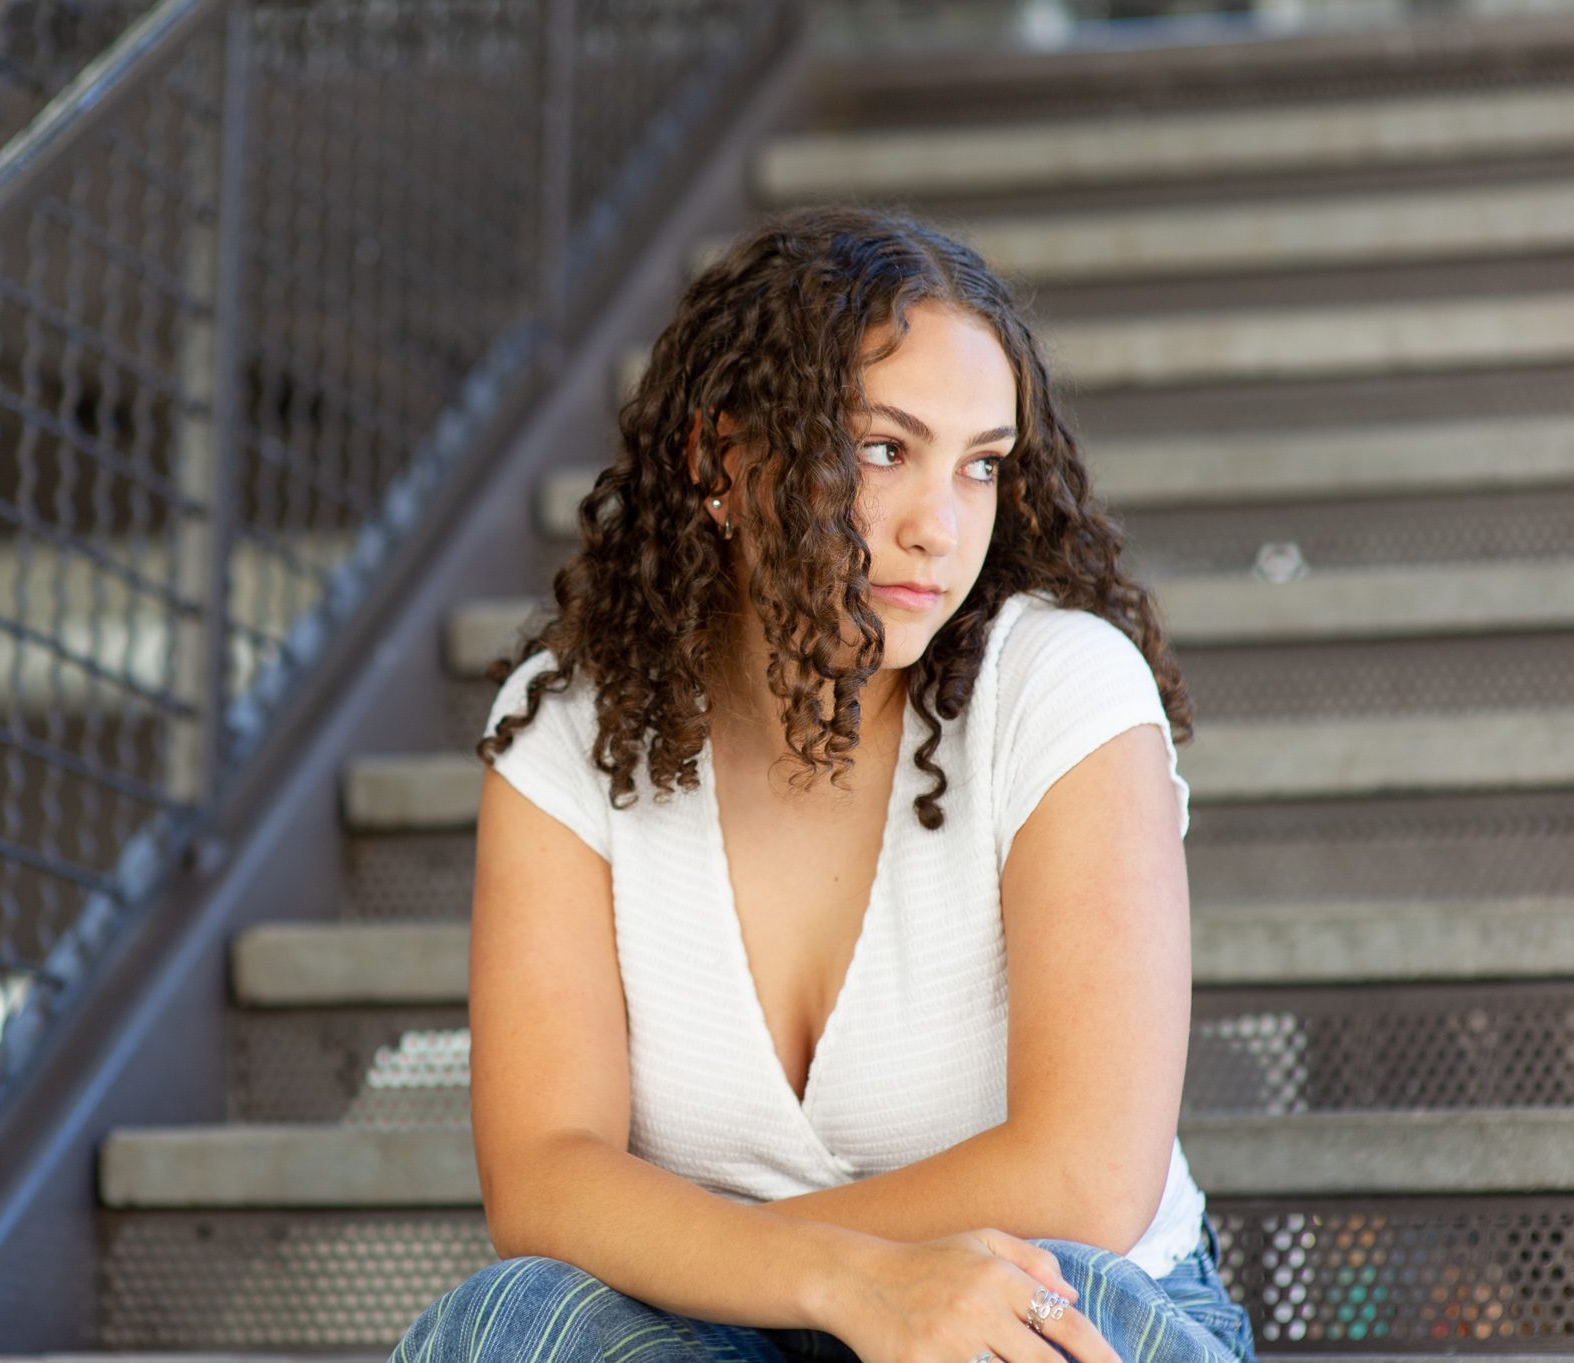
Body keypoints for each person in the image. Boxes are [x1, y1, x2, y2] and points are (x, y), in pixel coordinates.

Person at [388, 204, 1259, 1363]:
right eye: (881, 449)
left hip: (1043, 1288)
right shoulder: (569, 722)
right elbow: (544, 1176)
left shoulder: (1059, 687)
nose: (937, 528)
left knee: (1045, 1314)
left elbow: (1083, 1175)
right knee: (512, 1326)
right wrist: (835, 1282)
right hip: (720, 1328)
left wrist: (721, 1263)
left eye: (980, 467)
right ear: (719, 461)